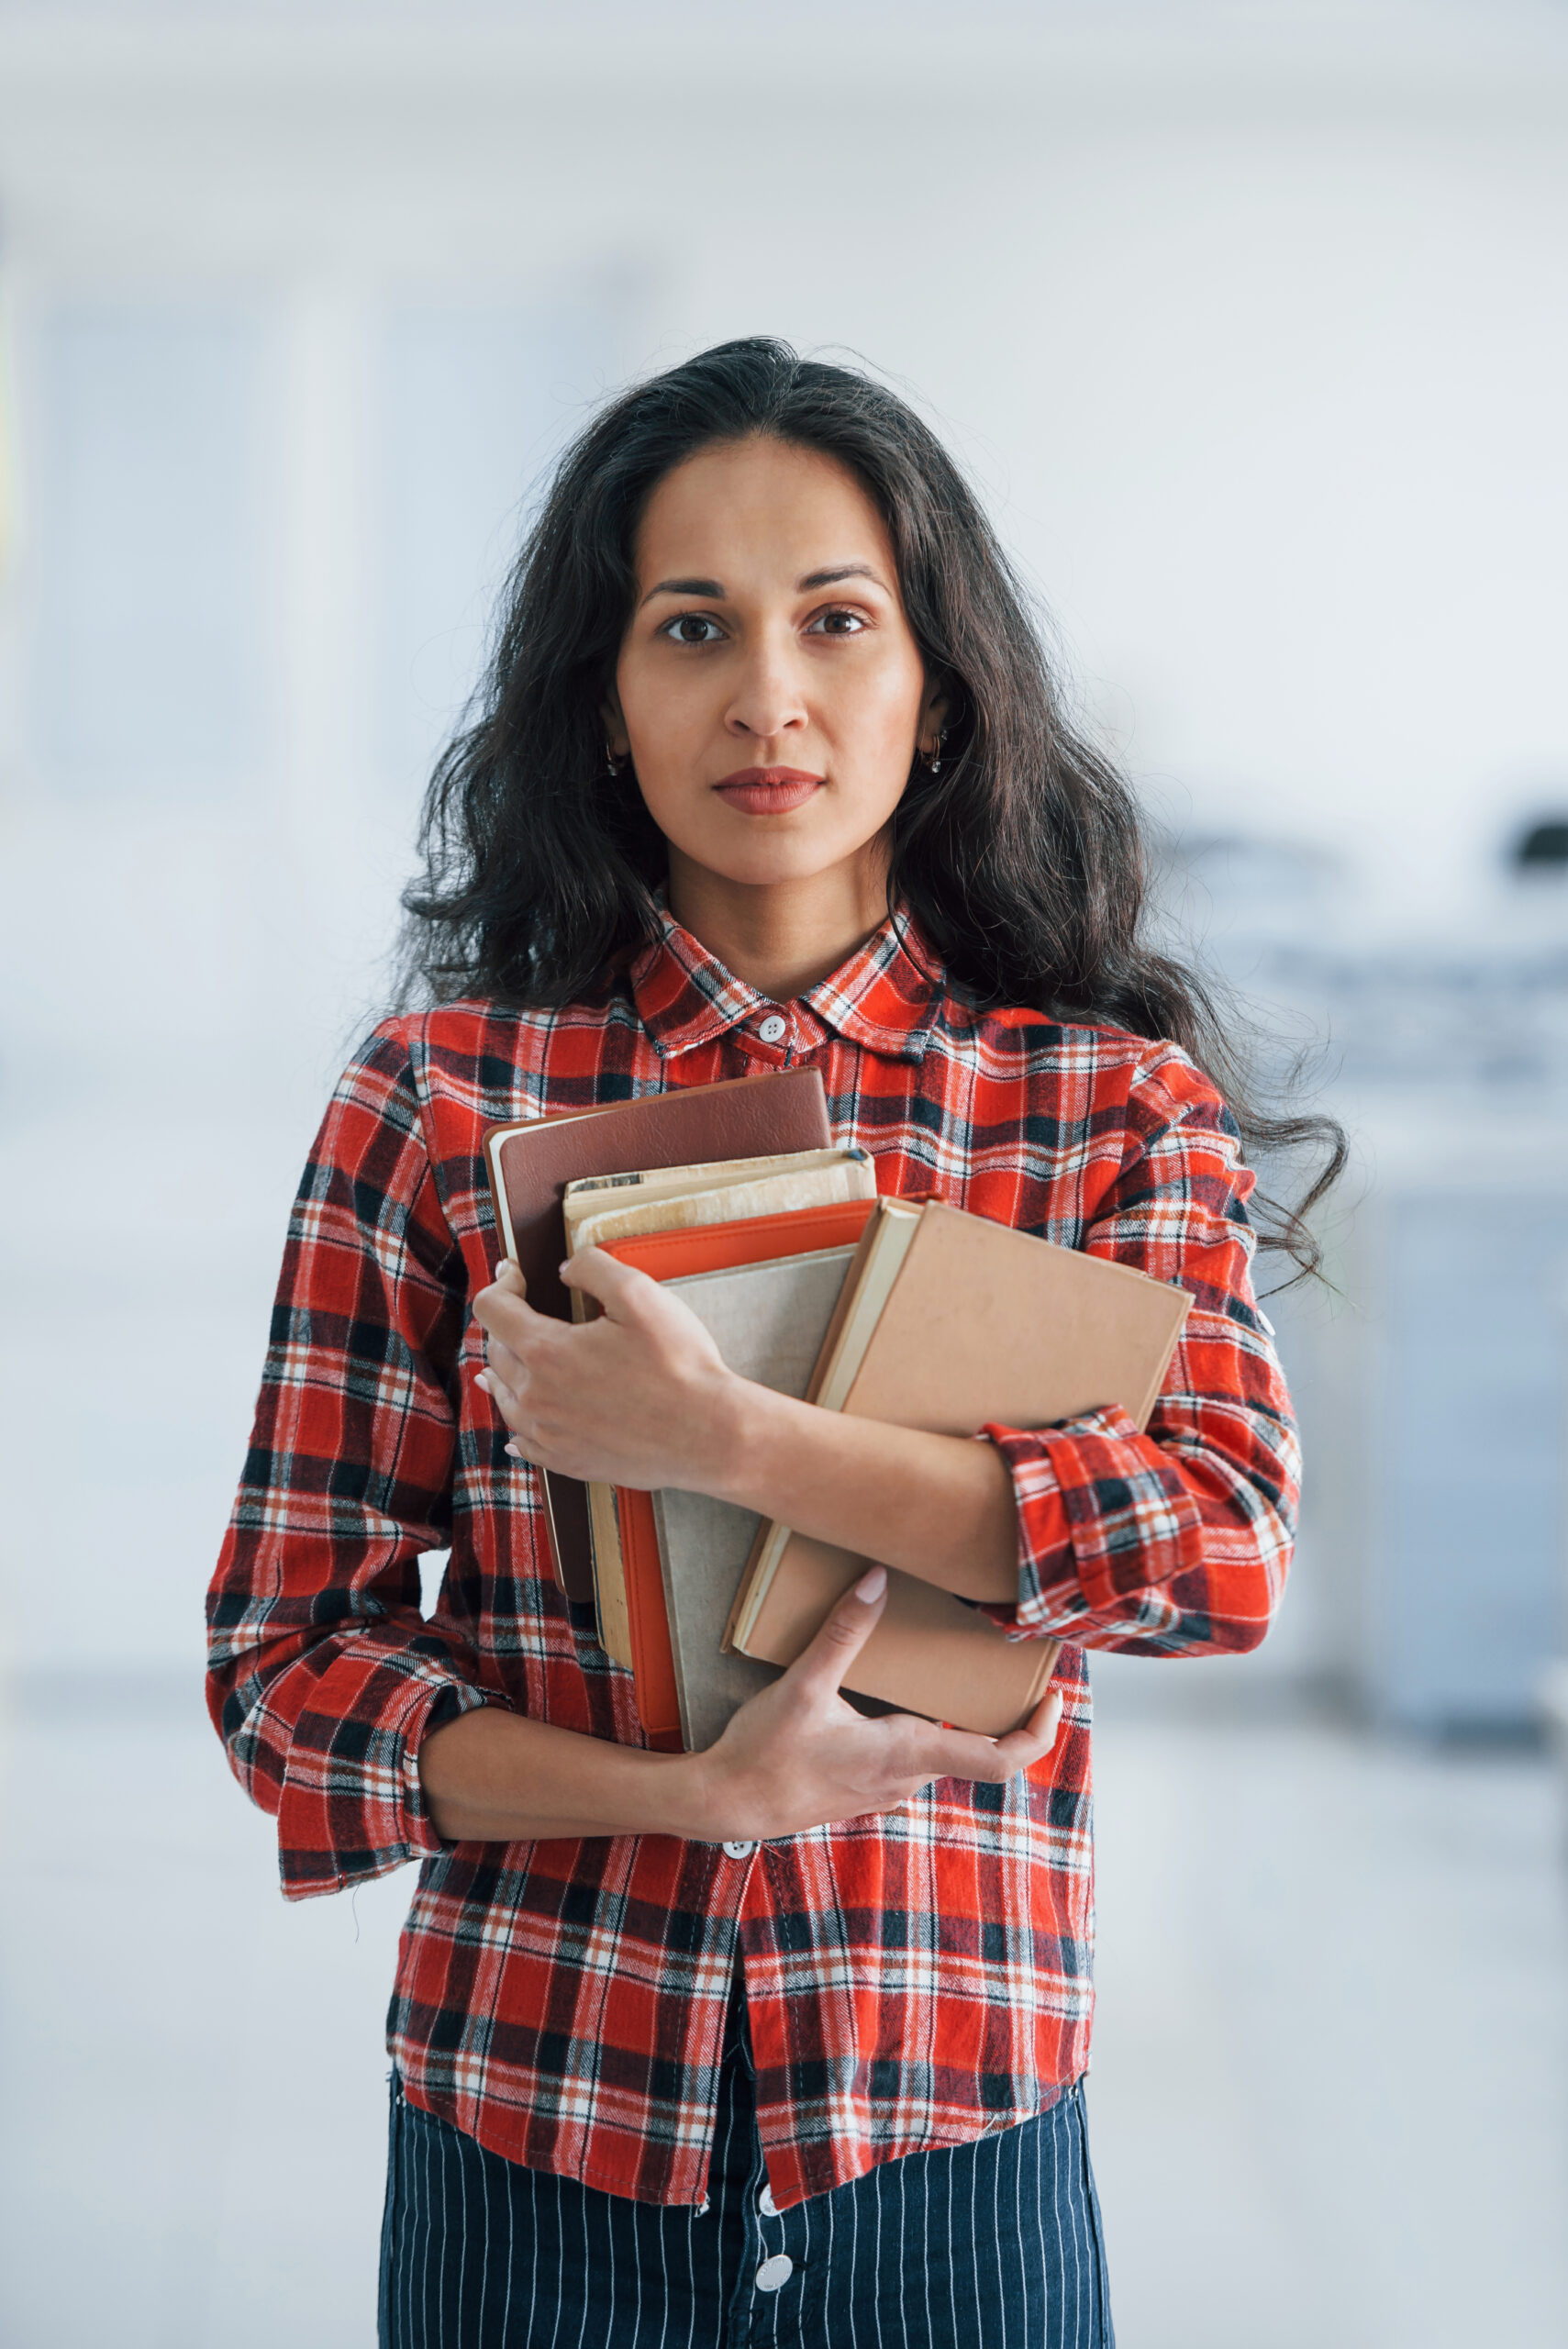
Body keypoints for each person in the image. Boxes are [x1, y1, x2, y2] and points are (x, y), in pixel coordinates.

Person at [206, 338, 1340, 2347]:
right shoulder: (436, 1099)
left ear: (943, 685)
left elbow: (1223, 1553)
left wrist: (727, 1439)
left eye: (836, 619)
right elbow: (289, 1678)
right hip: (536, 2137)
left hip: (951, 2141)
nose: (769, 696)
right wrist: (690, 1795)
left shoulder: (1100, 1112)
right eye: (690, 627)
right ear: (604, 699)